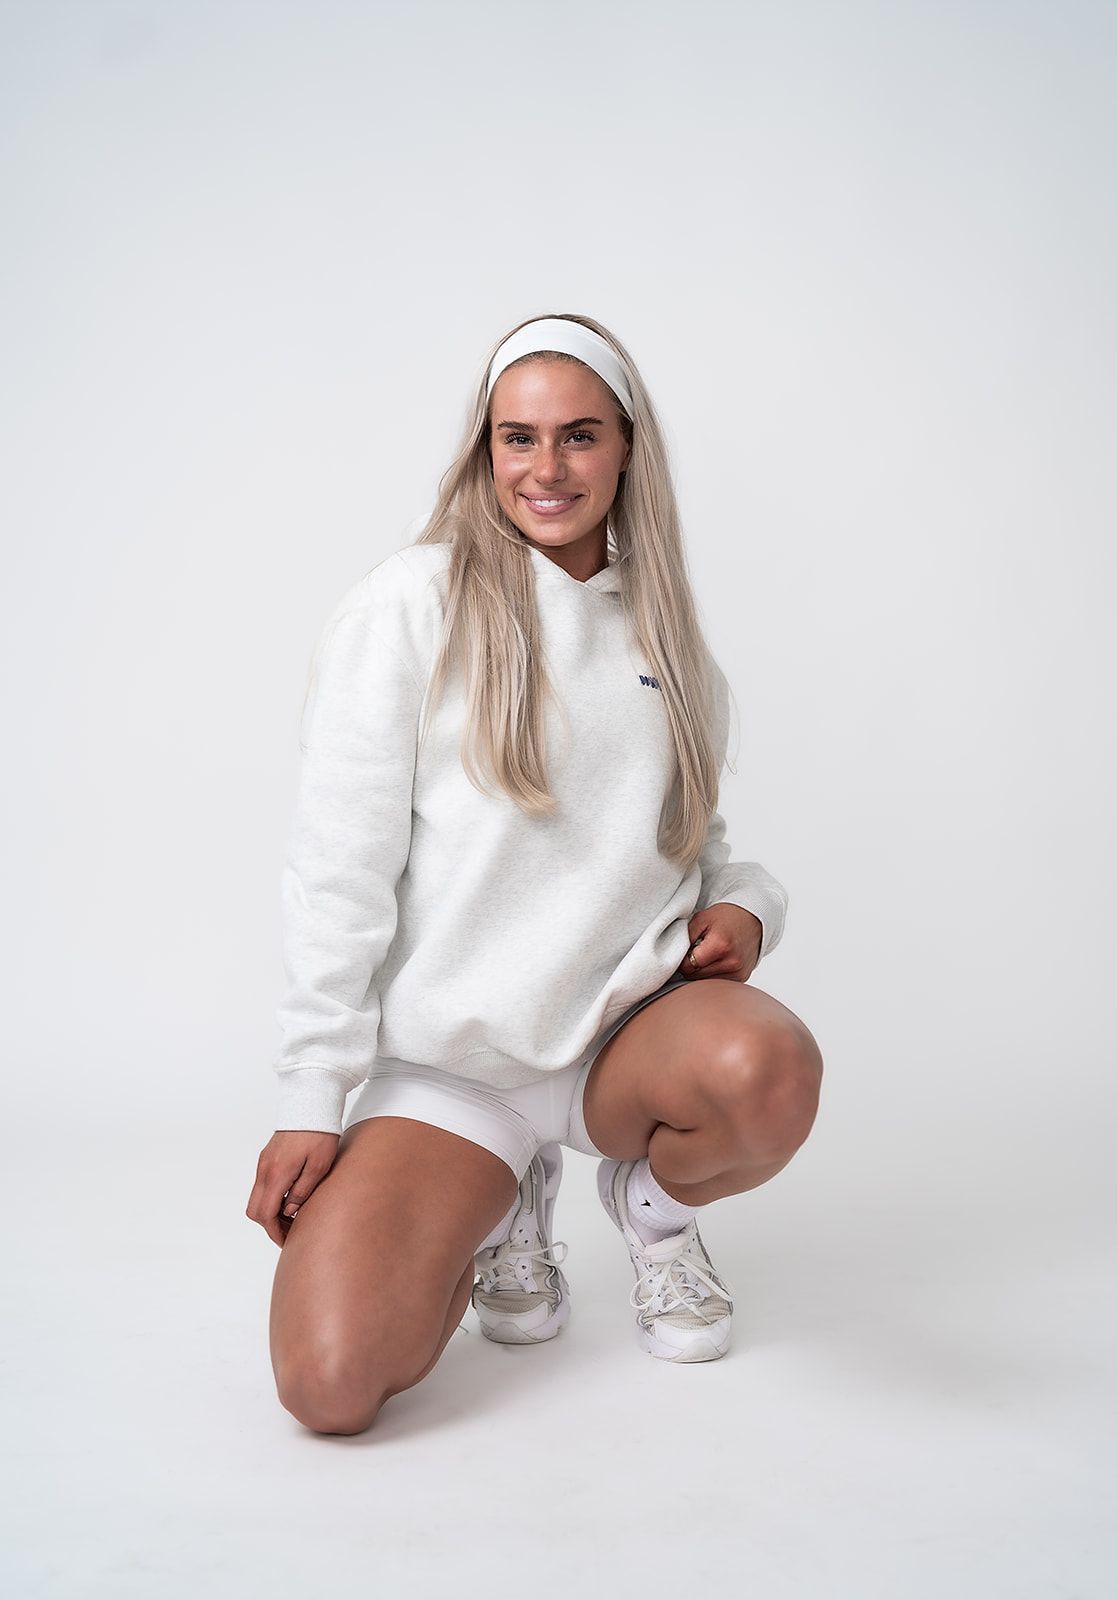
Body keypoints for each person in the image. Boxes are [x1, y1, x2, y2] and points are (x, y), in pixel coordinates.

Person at [246, 312, 824, 1436]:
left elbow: (695, 849)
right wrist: (311, 1097)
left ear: (624, 451)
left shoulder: (663, 639)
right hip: (453, 1068)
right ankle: (505, 1200)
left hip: (617, 1042)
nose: (546, 469)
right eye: (518, 438)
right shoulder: (413, 604)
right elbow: (338, 868)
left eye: (578, 436)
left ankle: (649, 1216)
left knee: (768, 1066)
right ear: (485, 451)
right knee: (329, 1386)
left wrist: (749, 906)